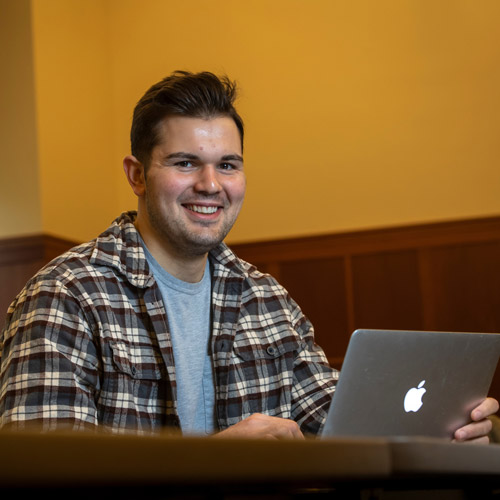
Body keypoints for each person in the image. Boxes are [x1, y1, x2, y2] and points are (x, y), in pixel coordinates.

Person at [0, 71, 497, 441]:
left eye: (228, 165)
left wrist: (454, 428)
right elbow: (44, 478)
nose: (210, 185)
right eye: (184, 162)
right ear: (136, 175)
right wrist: (213, 463)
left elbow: (339, 426)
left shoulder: (264, 297)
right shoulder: (65, 295)